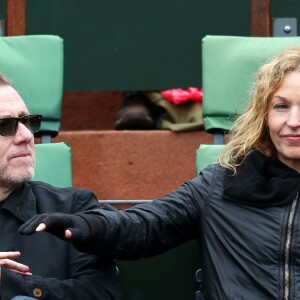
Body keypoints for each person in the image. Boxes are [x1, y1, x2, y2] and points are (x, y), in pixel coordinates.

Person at [19, 46, 300, 299]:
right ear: (263, 116)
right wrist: (87, 225)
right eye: (281, 106)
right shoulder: (224, 182)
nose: (293, 122)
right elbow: (144, 226)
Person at [0, 73, 121, 299]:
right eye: (5, 126)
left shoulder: (72, 209)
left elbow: (103, 294)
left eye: (27, 122)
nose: (26, 136)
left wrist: (12, 285)